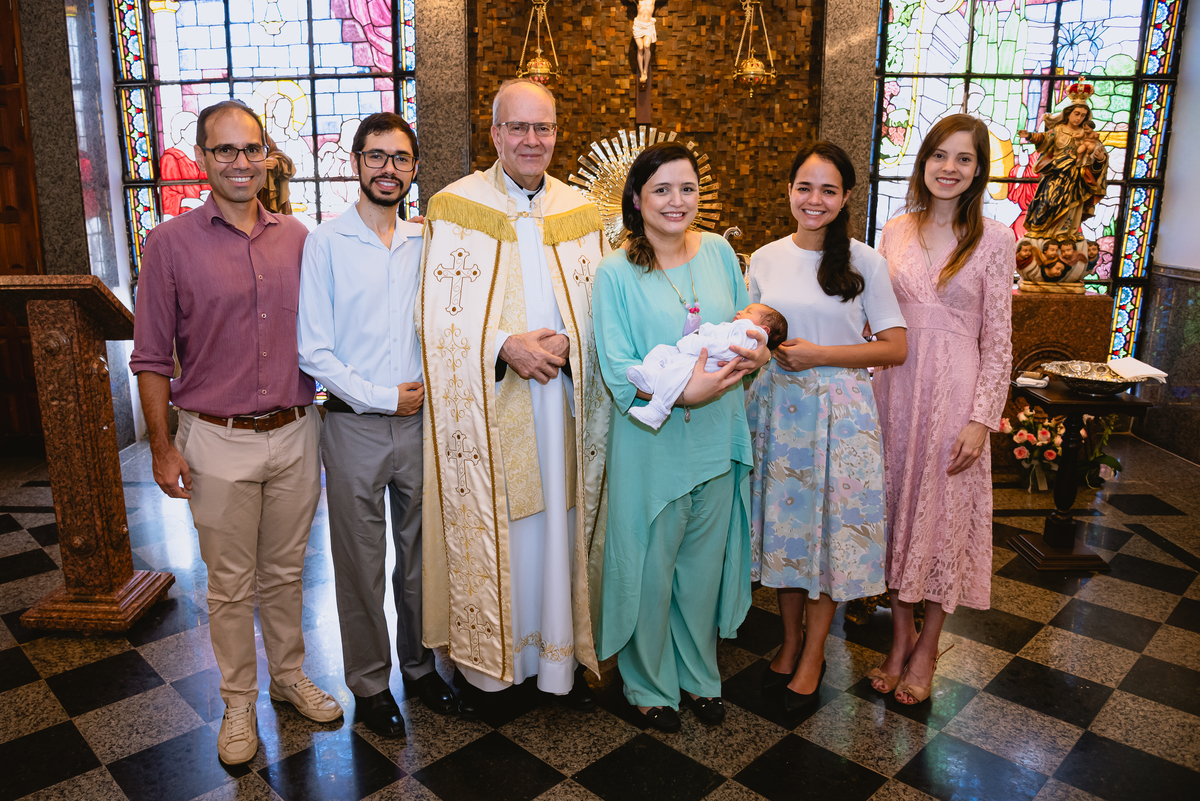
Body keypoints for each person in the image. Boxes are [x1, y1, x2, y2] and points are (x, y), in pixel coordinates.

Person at [129, 100, 341, 765]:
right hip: (214, 437)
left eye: (252, 148)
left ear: (267, 154)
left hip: (295, 428)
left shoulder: (301, 239)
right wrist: (163, 446)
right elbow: (151, 356)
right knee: (228, 583)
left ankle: (288, 676)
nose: (241, 162)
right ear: (202, 158)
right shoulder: (168, 244)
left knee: (285, 573)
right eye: (226, 151)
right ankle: (239, 702)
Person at [418, 79, 610, 712]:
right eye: (518, 128)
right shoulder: (455, 207)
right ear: (494, 133)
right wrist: (505, 345)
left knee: (561, 521)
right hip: (494, 404)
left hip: (564, 404)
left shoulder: (581, 212)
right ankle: (496, 673)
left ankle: (556, 664)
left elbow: (602, 311)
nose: (533, 140)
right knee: (505, 528)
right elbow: (437, 319)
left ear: (557, 133)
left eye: (544, 128)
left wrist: (570, 346)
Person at [594, 142, 771, 732]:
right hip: (653, 439)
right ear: (637, 199)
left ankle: (699, 675)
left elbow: (742, 321)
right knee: (650, 567)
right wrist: (680, 392)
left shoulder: (720, 251)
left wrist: (751, 353)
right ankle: (648, 684)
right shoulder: (616, 271)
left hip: (717, 435)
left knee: (701, 568)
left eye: (688, 188)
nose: (677, 201)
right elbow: (617, 364)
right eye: (662, 189)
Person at [297, 112, 456, 738]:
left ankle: (419, 669)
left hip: (423, 426)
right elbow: (314, 349)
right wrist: (380, 397)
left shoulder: (431, 243)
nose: (388, 168)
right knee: (359, 561)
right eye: (376, 156)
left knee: (421, 558)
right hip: (353, 425)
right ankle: (369, 682)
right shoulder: (326, 242)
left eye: (400, 158)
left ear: (414, 169)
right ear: (356, 163)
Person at [744, 142, 908, 711]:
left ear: (843, 200)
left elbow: (895, 347)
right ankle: (788, 644)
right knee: (789, 540)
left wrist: (821, 355)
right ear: (789, 191)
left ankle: (815, 652)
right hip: (778, 411)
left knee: (827, 541)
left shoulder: (865, 262)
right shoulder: (763, 258)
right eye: (805, 187)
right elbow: (751, 334)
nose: (814, 200)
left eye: (828, 190)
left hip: (841, 415)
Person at [870, 114, 1013, 704]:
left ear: (978, 170)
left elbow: (999, 338)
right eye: (939, 156)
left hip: (955, 394)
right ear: (923, 161)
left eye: (963, 159)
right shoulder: (895, 230)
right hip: (896, 390)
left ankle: (927, 648)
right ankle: (897, 642)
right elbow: (874, 318)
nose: (949, 168)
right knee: (899, 516)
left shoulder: (997, 239)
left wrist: (982, 419)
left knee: (939, 523)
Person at [627, 303, 786, 430]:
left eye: (748, 311)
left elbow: (729, 350)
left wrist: (697, 343)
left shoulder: (750, 333)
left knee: (674, 373)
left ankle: (658, 409)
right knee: (661, 350)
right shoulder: (736, 328)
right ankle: (651, 375)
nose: (740, 311)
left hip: (704, 361)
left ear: (764, 330)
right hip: (693, 353)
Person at [1018, 101, 1108, 242]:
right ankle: (1039, 230)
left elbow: (1097, 152)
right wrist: (1029, 136)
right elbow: (1044, 138)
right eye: (1076, 114)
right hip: (1056, 173)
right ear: (1068, 113)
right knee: (1048, 202)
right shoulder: (1059, 129)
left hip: (1077, 177)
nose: (1079, 118)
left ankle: (1065, 234)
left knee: (1072, 207)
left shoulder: (1087, 134)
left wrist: (1101, 158)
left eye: (1083, 115)